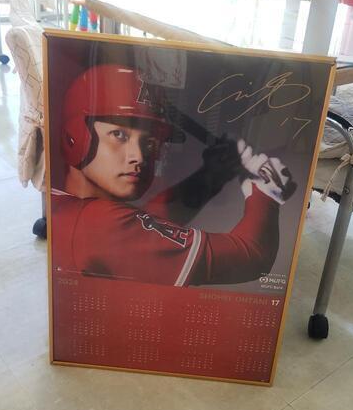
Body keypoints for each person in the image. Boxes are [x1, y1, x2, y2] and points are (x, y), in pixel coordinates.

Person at [51, 63, 296, 287]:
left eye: (148, 142)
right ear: (76, 136)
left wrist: (212, 174)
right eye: (119, 135)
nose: (139, 156)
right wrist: (267, 193)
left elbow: (147, 226)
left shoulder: (70, 208)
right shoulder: (101, 225)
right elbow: (253, 256)